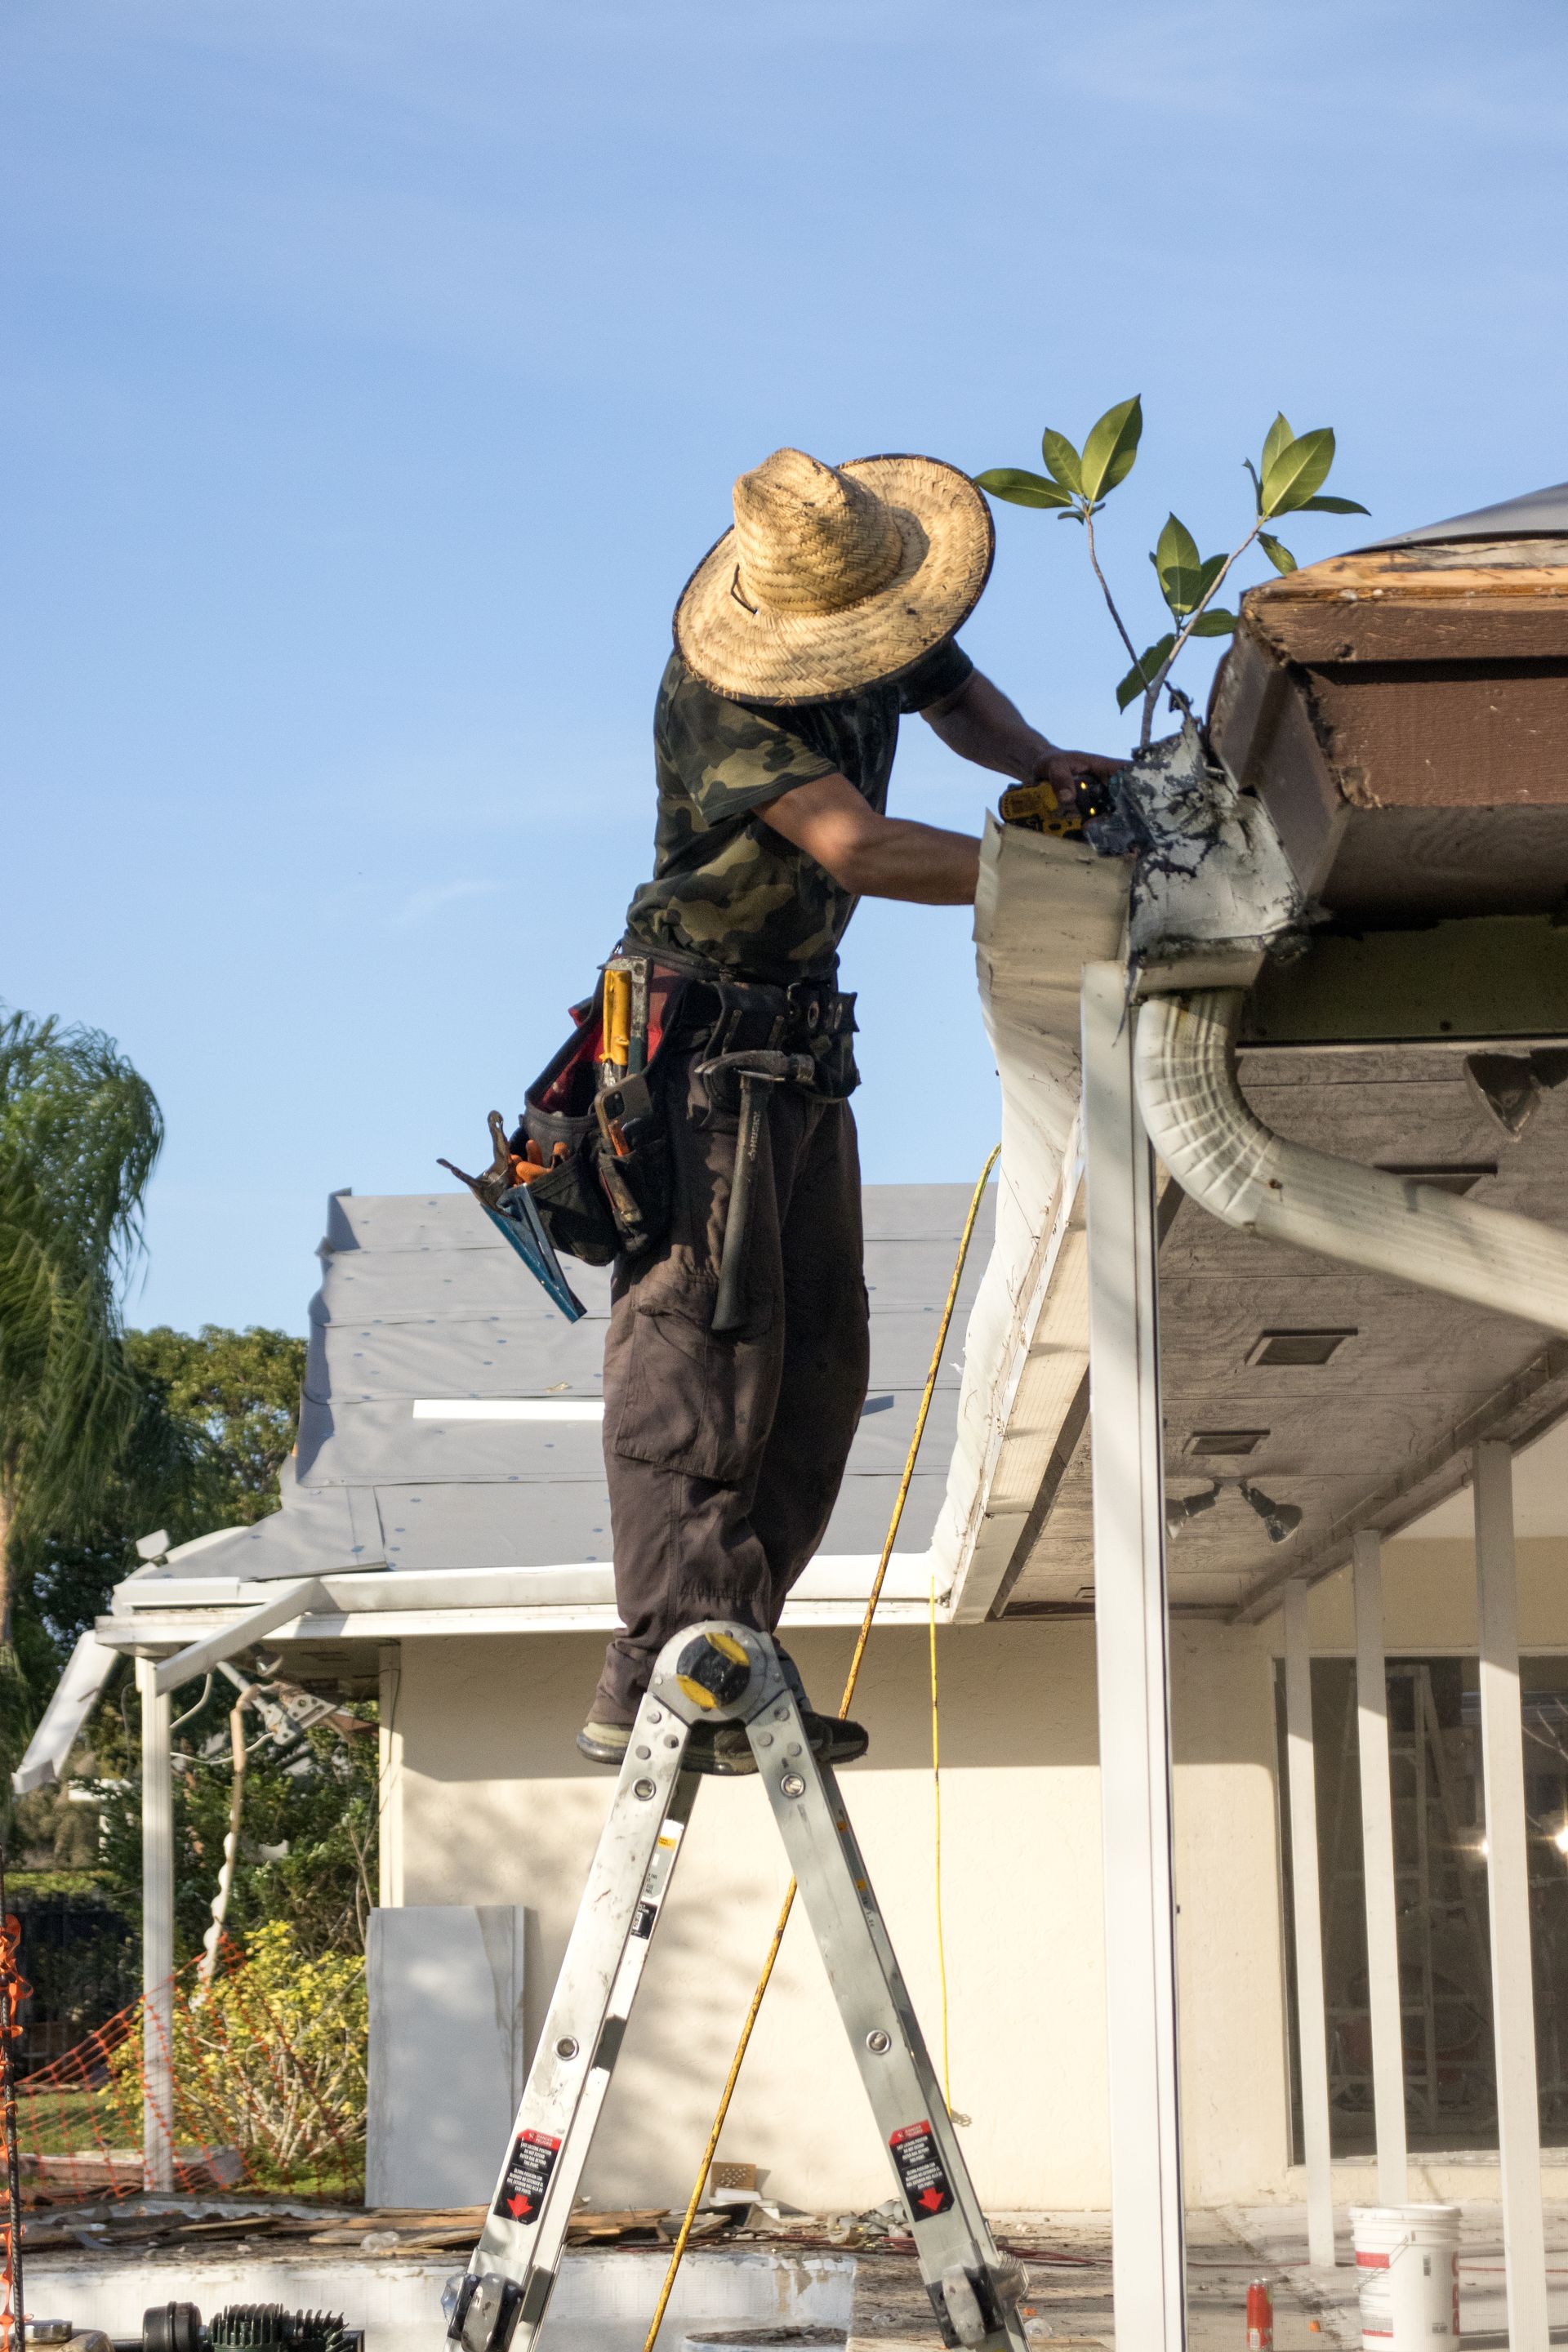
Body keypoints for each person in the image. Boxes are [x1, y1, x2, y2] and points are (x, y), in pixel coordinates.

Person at [578, 446, 1124, 1770]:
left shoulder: (871, 612)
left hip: (802, 1043)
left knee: (817, 1363)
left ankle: (734, 1658)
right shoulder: (723, 682)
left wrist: (1054, 771)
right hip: (693, 1037)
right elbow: (859, 848)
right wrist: (1072, 881)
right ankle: (665, 1665)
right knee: (705, 1345)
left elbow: (961, 699)